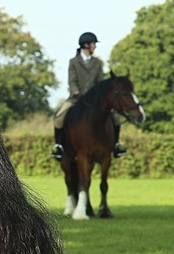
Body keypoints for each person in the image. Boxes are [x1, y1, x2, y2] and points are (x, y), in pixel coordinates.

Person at [52, 31, 126, 160]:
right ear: (86, 45)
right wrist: (75, 91)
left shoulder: (97, 63)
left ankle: (116, 145)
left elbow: (100, 81)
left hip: (94, 101)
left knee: (116, 117)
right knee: (58, 118)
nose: (95, 46)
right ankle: (59, 146)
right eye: (93, 44)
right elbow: (72, 80)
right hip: (76, 98)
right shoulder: (73, 62)